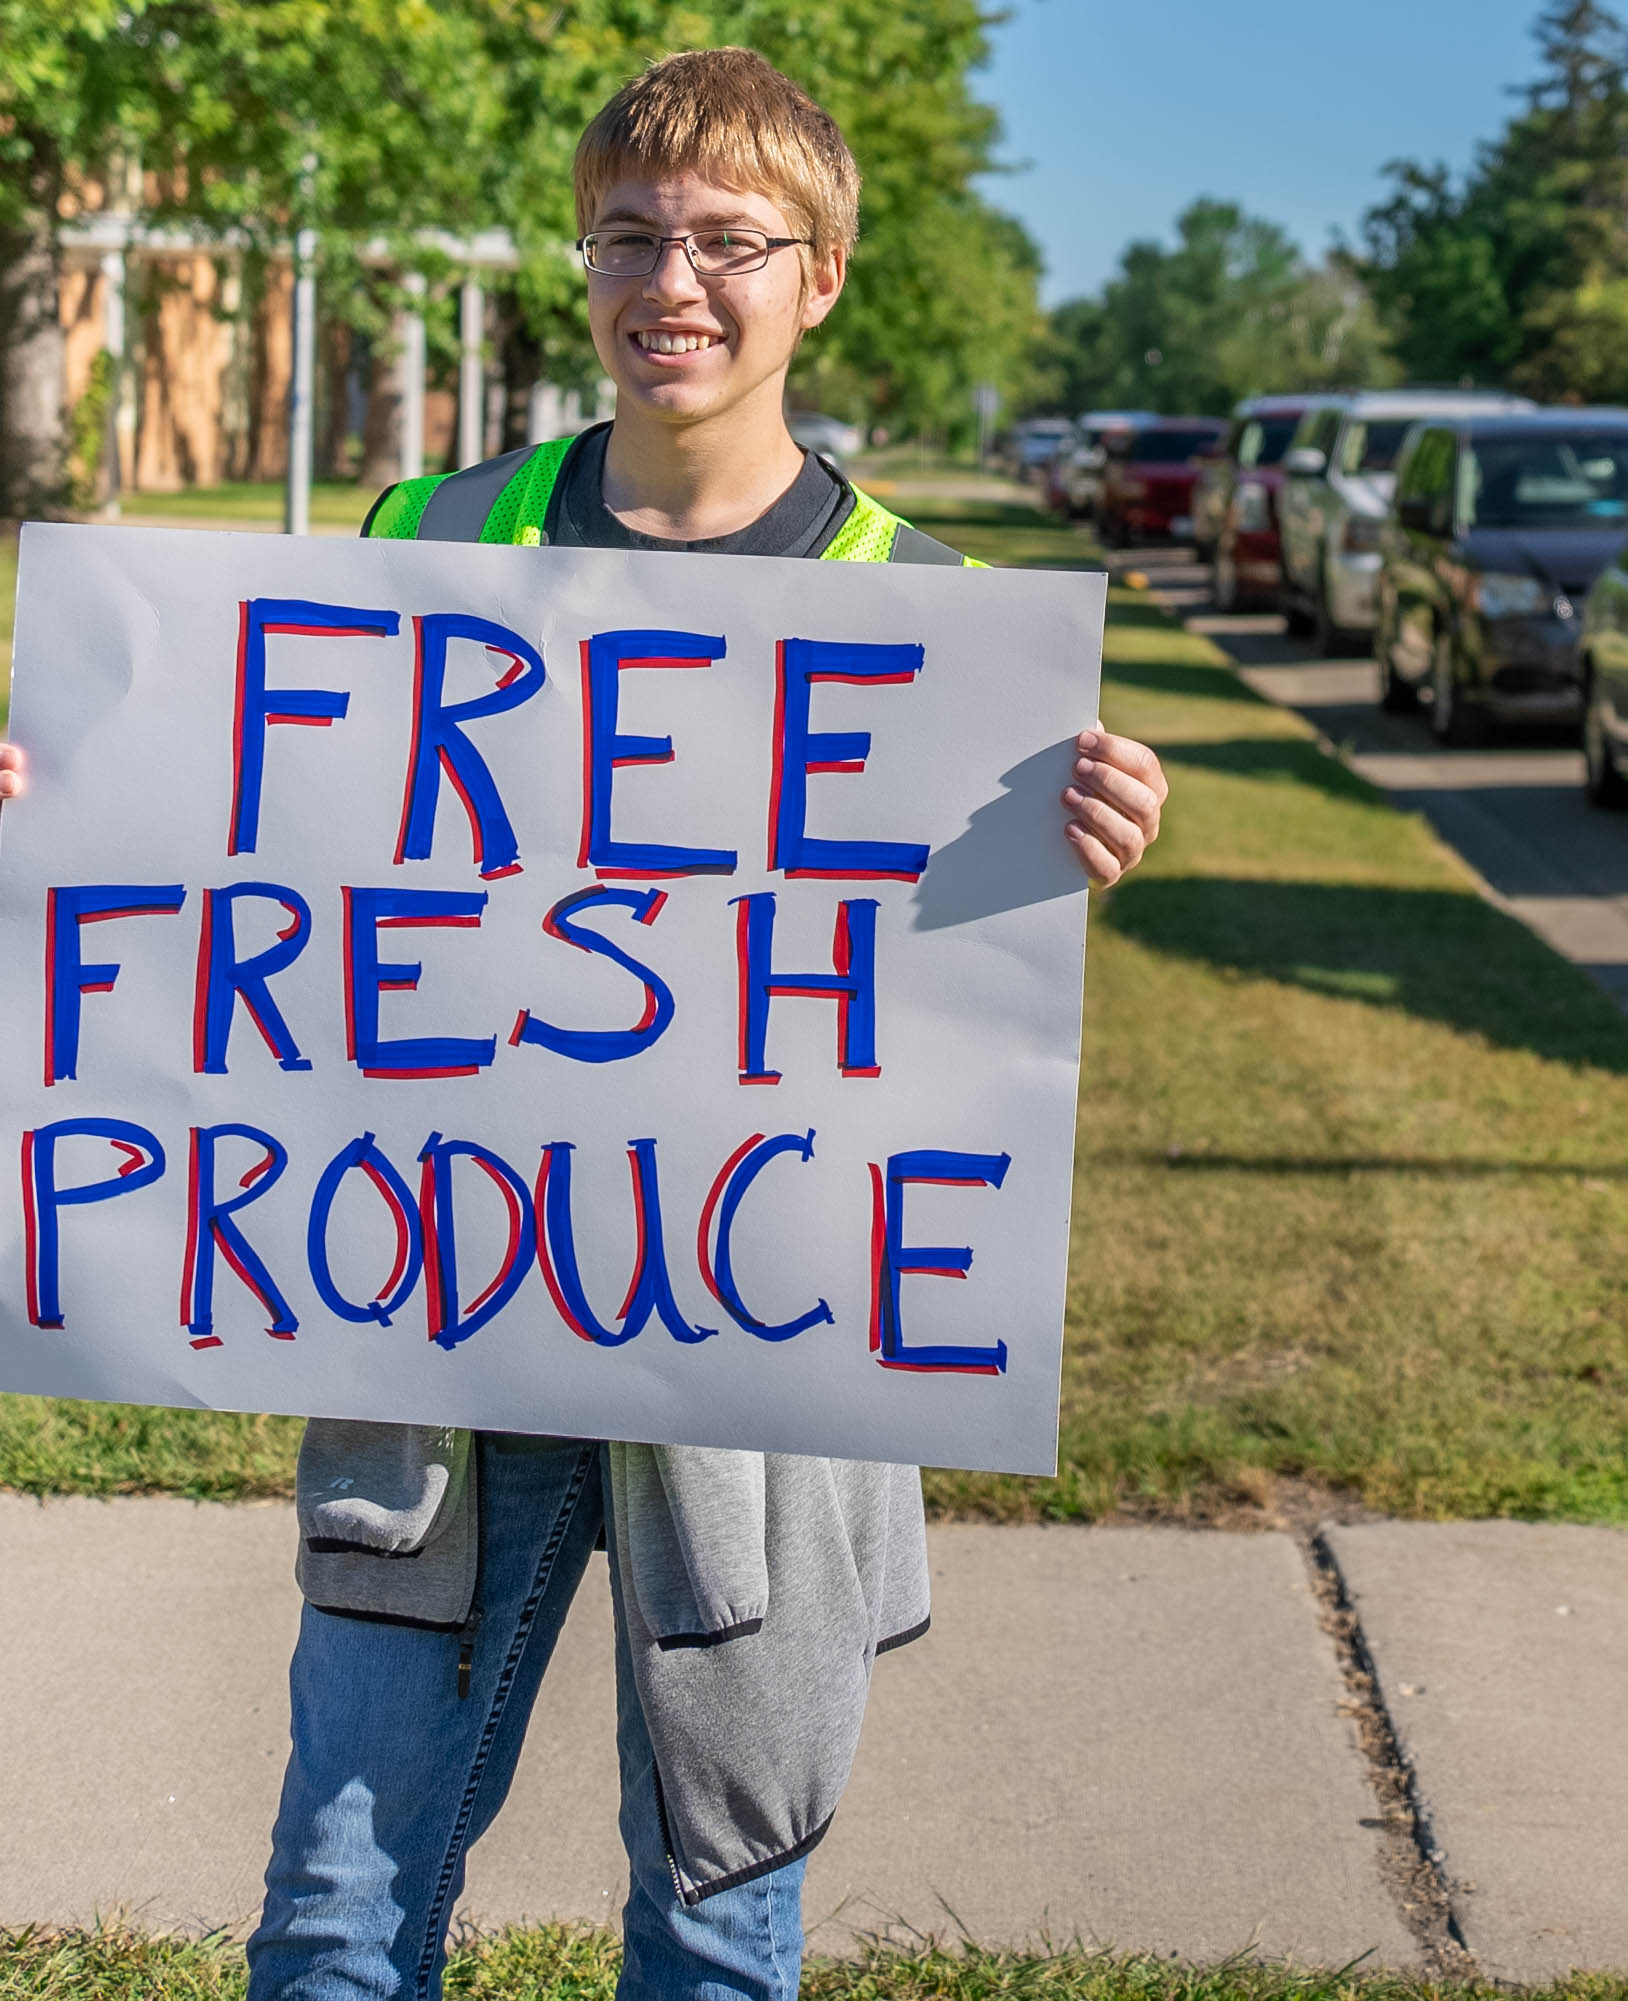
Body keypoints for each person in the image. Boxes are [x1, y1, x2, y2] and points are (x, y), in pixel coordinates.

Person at [0, 46, 1166, 2001]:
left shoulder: (933, 623)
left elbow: (928, 1020)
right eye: (629, 235)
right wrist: (70, 807)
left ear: (821, 276)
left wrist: (1069, 847)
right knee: (337, 1914)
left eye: (728, 239)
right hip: (434, 1357)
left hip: (753, 1379)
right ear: (582, 261)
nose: (672, 280)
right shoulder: (424, 539)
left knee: (717, 1920)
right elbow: (247, 850)